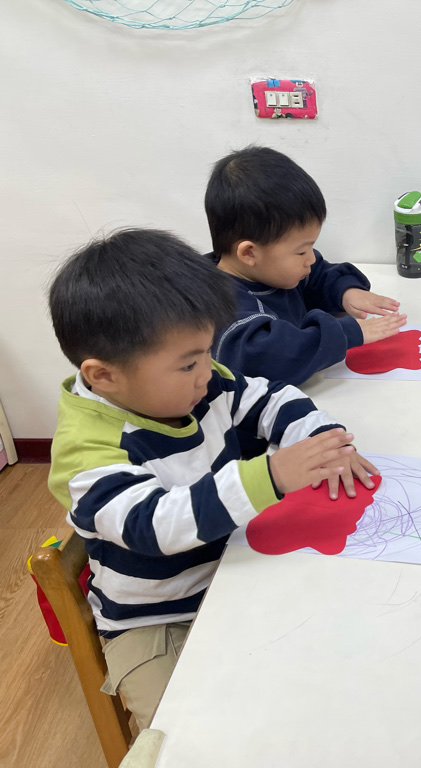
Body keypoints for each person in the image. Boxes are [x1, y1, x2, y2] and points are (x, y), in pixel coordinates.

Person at [47, 229, 378, 728]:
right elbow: (156, 526)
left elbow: (269, 396)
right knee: (187, 733)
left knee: (319, 685)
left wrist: (321, 436)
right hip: (159, 620)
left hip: (231, 569)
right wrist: (270, 474)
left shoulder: (200, 381)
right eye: (188, 364)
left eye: (206, 352)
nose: (208, 372)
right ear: (104, 376)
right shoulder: (88, 452)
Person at [205, 145, 407, 385]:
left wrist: (346, 292)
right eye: (301, 251)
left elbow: (319, 275)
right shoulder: (222, 309)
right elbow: (276, 357)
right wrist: (349, 333)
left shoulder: (274, 271)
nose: (310, 259)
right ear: (249, 253)